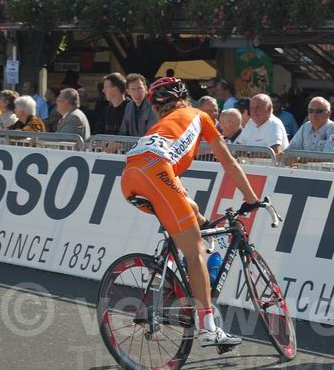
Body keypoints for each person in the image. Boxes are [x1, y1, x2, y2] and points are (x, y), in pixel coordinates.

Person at [121, 77, 259, 347]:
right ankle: (209, 328)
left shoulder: (160, 126)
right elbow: (228, 163)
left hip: (129, 179)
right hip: (157, 172)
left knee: (192, 213)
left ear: (156, 108)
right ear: (185, 98)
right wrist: (252, 198)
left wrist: (199, 216)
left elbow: (168, 178)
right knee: (195, 251)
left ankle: (171, 272)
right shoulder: (199, 115)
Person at [235, 94, 289, 158]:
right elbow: (238, 146)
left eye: (258, 107)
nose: (254, 111)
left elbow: (275, 152)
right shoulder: (251, 122)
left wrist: (248, 155)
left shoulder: (274, 124)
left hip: (269, 167)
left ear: (269, 109)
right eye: (252, 108)